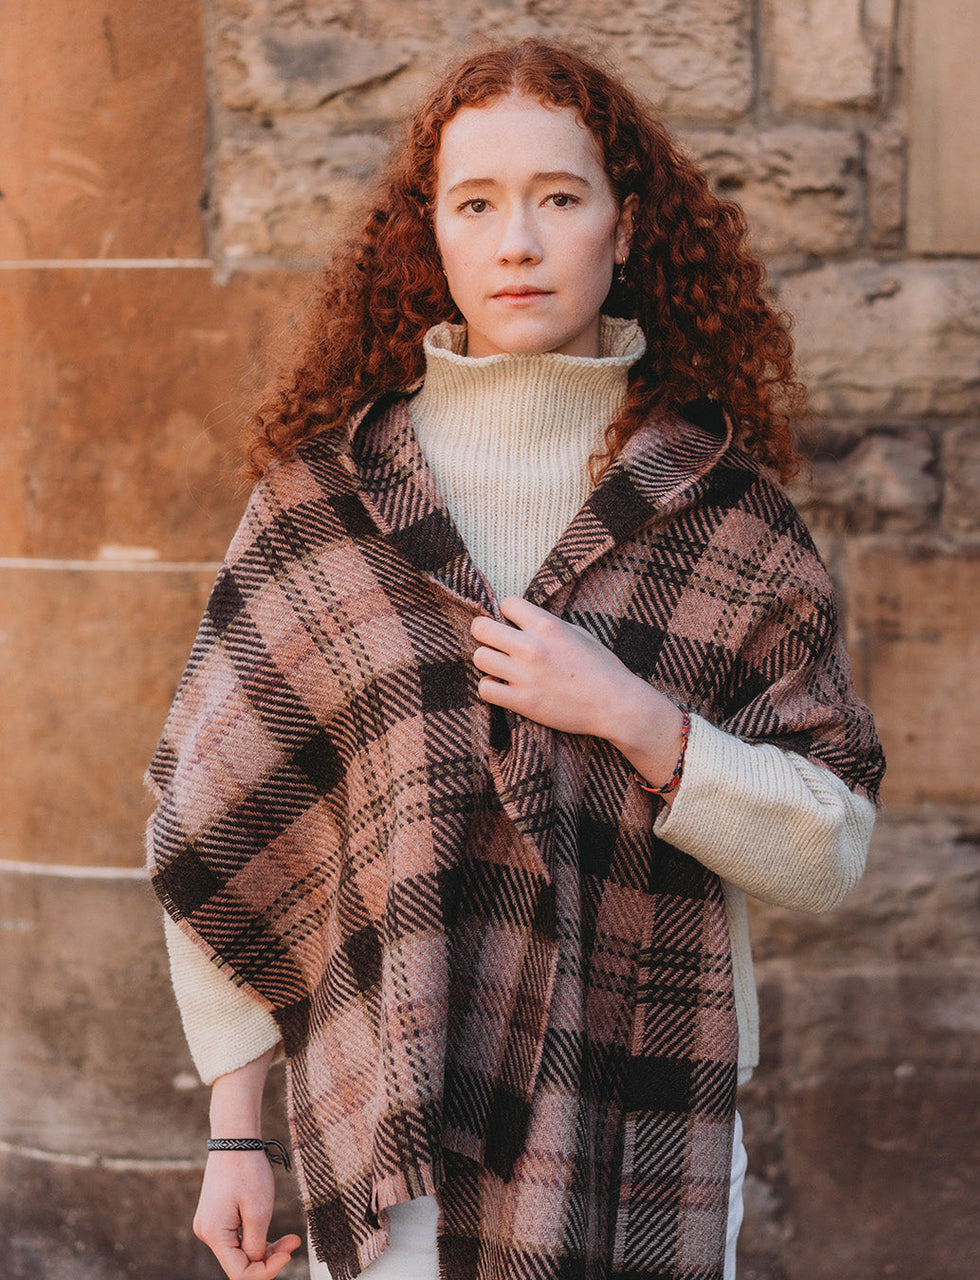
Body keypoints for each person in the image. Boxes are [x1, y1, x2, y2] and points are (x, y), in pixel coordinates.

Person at [146, 38, 884, 1280]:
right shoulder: (322, 504)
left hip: (644, 1125)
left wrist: (640, 719)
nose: (518, 243)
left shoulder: (730, 519)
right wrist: (234, 1128)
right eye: (475, 204)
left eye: (559, 196)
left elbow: (832, 847)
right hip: (397, 1130)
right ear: (427, 236)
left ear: (625, 221)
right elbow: (214, 814)